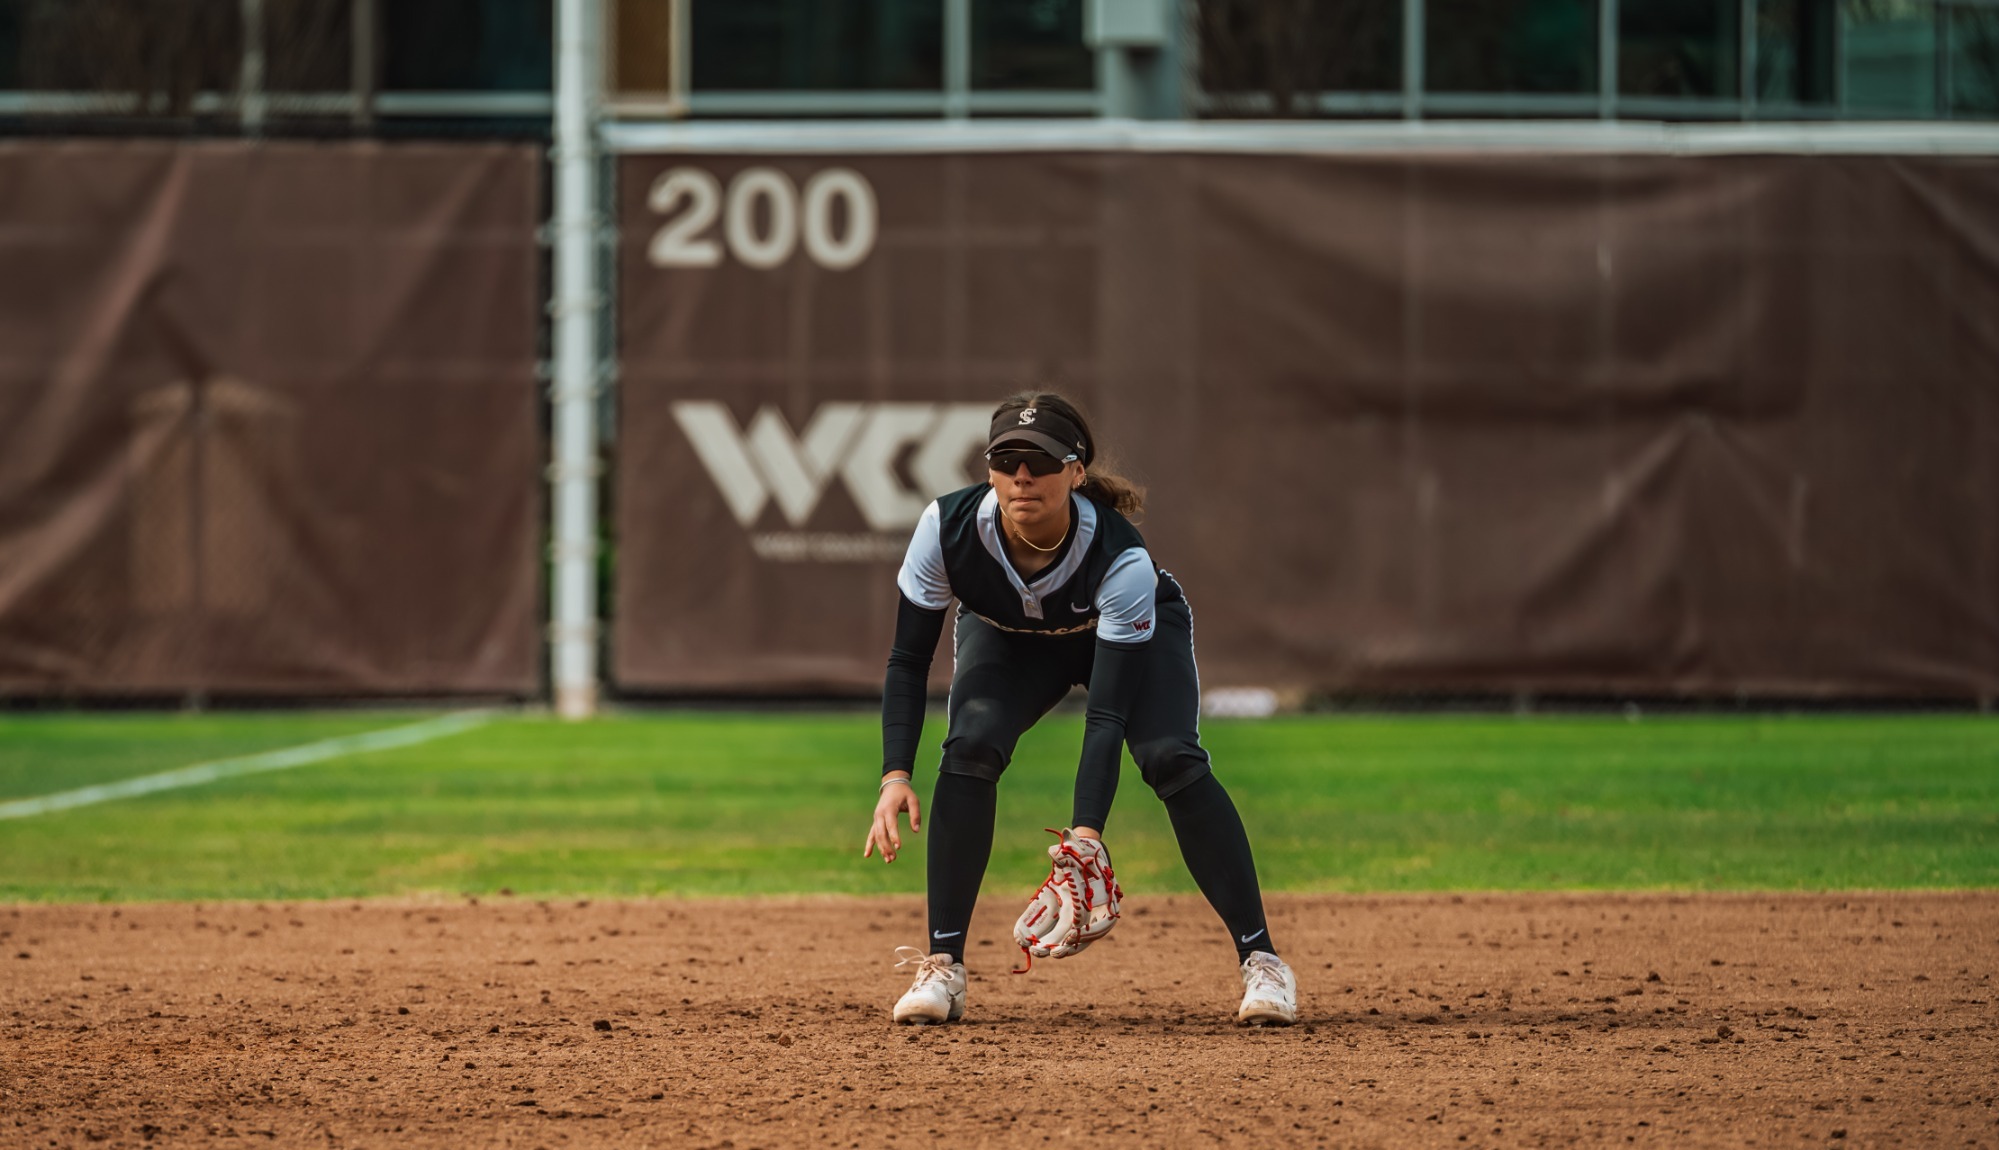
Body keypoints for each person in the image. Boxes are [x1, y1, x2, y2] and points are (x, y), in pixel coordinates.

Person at [862, 391, 1298, 1027]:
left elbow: (1107, 717)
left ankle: (1264, 962)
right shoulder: (948, 529)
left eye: (1039, 461)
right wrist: (894, 774)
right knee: (970, 747)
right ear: (988, 469)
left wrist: (1085, 835)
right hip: (1010, 638)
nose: (1022, 476)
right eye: (1006, 459)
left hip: (1120, 637)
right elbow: (907, 660)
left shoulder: (1120, 559)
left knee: (1169, 757)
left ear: (1076, 471)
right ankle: (944, 966)